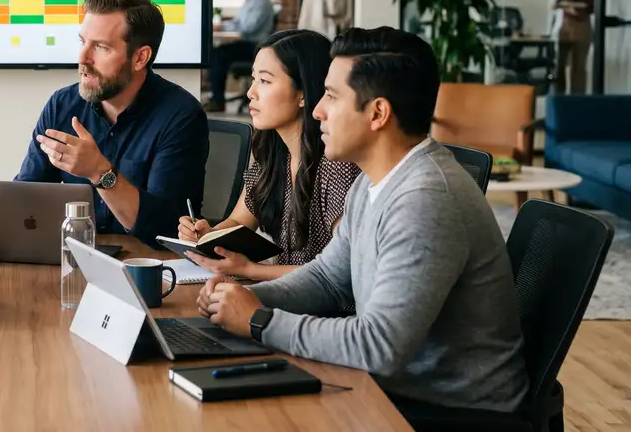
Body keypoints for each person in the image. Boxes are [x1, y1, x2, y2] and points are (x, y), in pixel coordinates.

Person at [197, 27, 528, 414]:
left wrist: (259, 320)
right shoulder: (372, 182)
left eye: (332, 96)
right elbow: (328, 279)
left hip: (447, 409)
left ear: (378, 113)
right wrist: (245, 299)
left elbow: (379, 347)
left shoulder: (424, 199)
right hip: (393, 386)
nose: (318, 111)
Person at [16, 0, 208, 246]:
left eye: (101, 47)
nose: (83, 58)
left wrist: (99, 171)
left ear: (140, 57)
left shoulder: (181, 116)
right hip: (75, 252)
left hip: (148, 262)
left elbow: (167, 230)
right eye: (83, 42)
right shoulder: (62, 105)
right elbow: (26, 198)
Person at [179, 29, 360, 281]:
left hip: (323, 303)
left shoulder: (337, 164)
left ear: (303, 93)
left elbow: (344, 270)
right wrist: (206, 236)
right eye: (253, 79)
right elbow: (238, 223)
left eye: (264, 81)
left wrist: (250, 270)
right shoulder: (273, 154)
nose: (250, 92)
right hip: (286, 295)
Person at [204, 0, 276, 113]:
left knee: (218, 55)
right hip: (247, 43)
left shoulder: (261, 2)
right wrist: (222, 26)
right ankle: (216, 98)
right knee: (216, 52)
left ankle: (218, 101)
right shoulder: (250, 0)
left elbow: (248, 28)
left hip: (255, 47)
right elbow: (237, 22)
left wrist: (224, 27)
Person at [553, 0, 595, 94]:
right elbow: (559, 0)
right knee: (560, 64)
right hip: (566, 26)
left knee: (578, 66)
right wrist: (559, 5)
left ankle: (577, 98)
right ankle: (559, 96)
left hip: (581, 25)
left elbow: (592, 6)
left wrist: (575, 8)